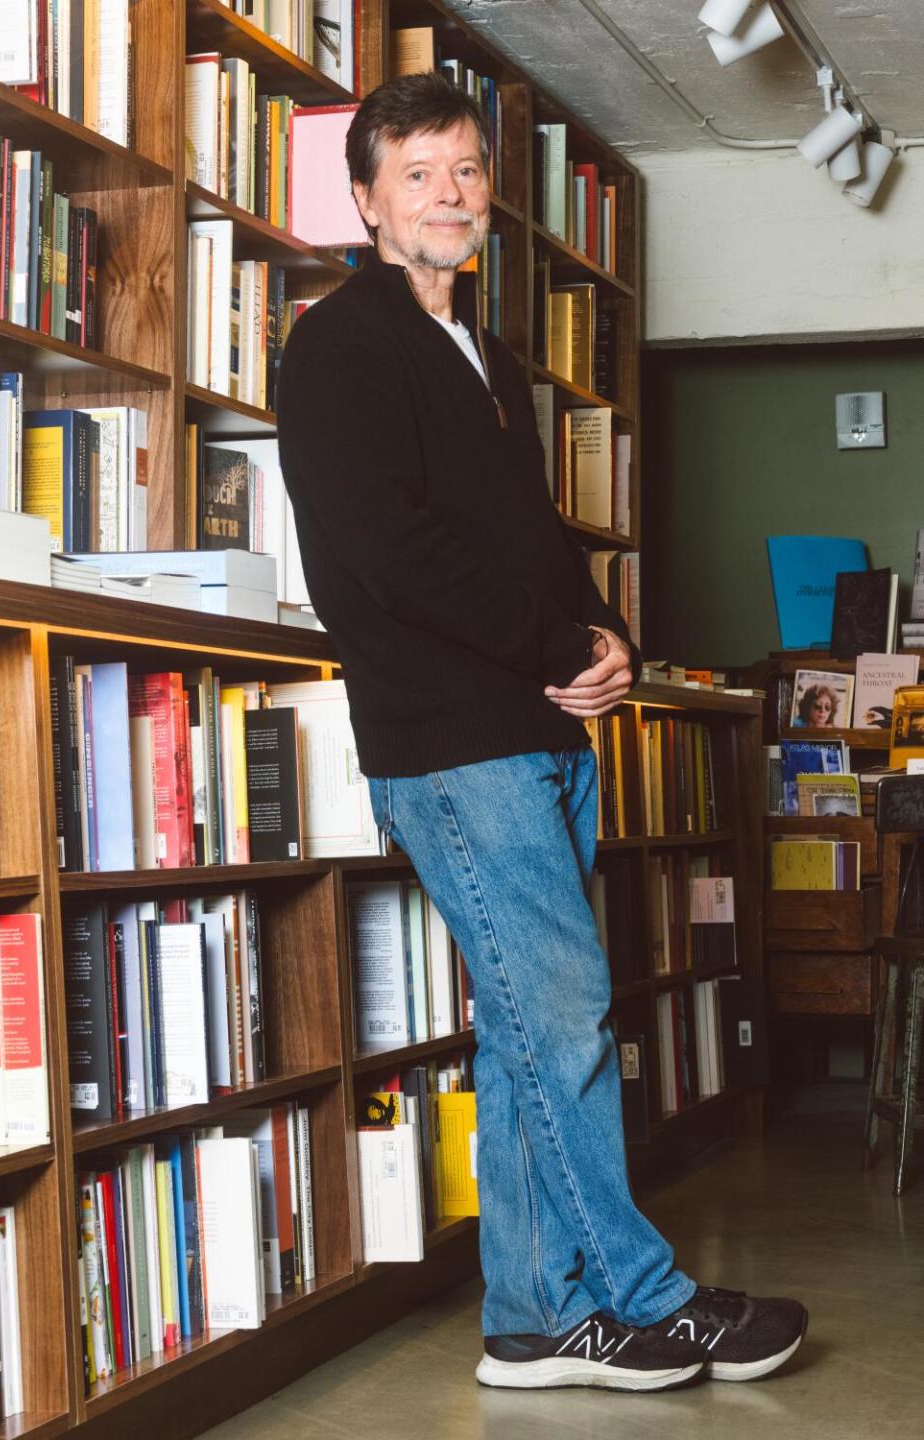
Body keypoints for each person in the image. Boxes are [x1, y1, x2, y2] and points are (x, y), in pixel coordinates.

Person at [276, 72, 806, 1394]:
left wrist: (603, 625)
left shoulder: (489, 355)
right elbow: (390, 556)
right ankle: (646, 1299)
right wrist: (552, 645)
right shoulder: (338, 346)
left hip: (536, 735)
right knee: (562, 1023)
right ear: (365, 200)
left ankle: (529, 1319)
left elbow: (528, 532)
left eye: (465, 170)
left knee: (530, 1030)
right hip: (452, 747)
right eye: (418, 174)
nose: (450, 194)